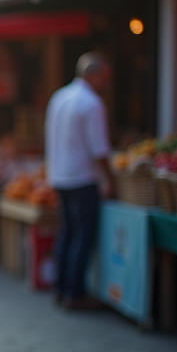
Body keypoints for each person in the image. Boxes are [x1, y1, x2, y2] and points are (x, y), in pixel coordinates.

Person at [45, 52, 116, 311]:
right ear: (93, 74)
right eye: (105, 76)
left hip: (61, 176)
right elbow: (100, 149)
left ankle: (61, 288)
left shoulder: (59, 97)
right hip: (82, 178)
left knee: (67, 233)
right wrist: (109, 179)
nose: (108, 82)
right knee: (82, 236)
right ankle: (74, 293)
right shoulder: (92, 103)